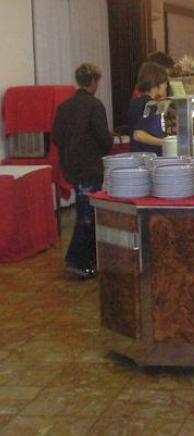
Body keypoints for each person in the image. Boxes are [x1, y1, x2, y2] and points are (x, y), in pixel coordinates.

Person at [52, 64, 113, 279]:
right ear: (94, 81)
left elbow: (56, 138)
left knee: (83, 212)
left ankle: (83, 260)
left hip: (72, 166)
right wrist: (108, 140)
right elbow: (104, 139)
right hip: (90, 167)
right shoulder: (94, 105)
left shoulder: (64, 107)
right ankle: (78, 261)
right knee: (87, 215)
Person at [128, 62, 169, 155]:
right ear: (156, 83)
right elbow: (138, 135)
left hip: (141, 157)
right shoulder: (149, 104)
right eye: (164, 82)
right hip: (148, 157)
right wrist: (166, 143)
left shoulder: (138, 102)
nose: (166, 85)